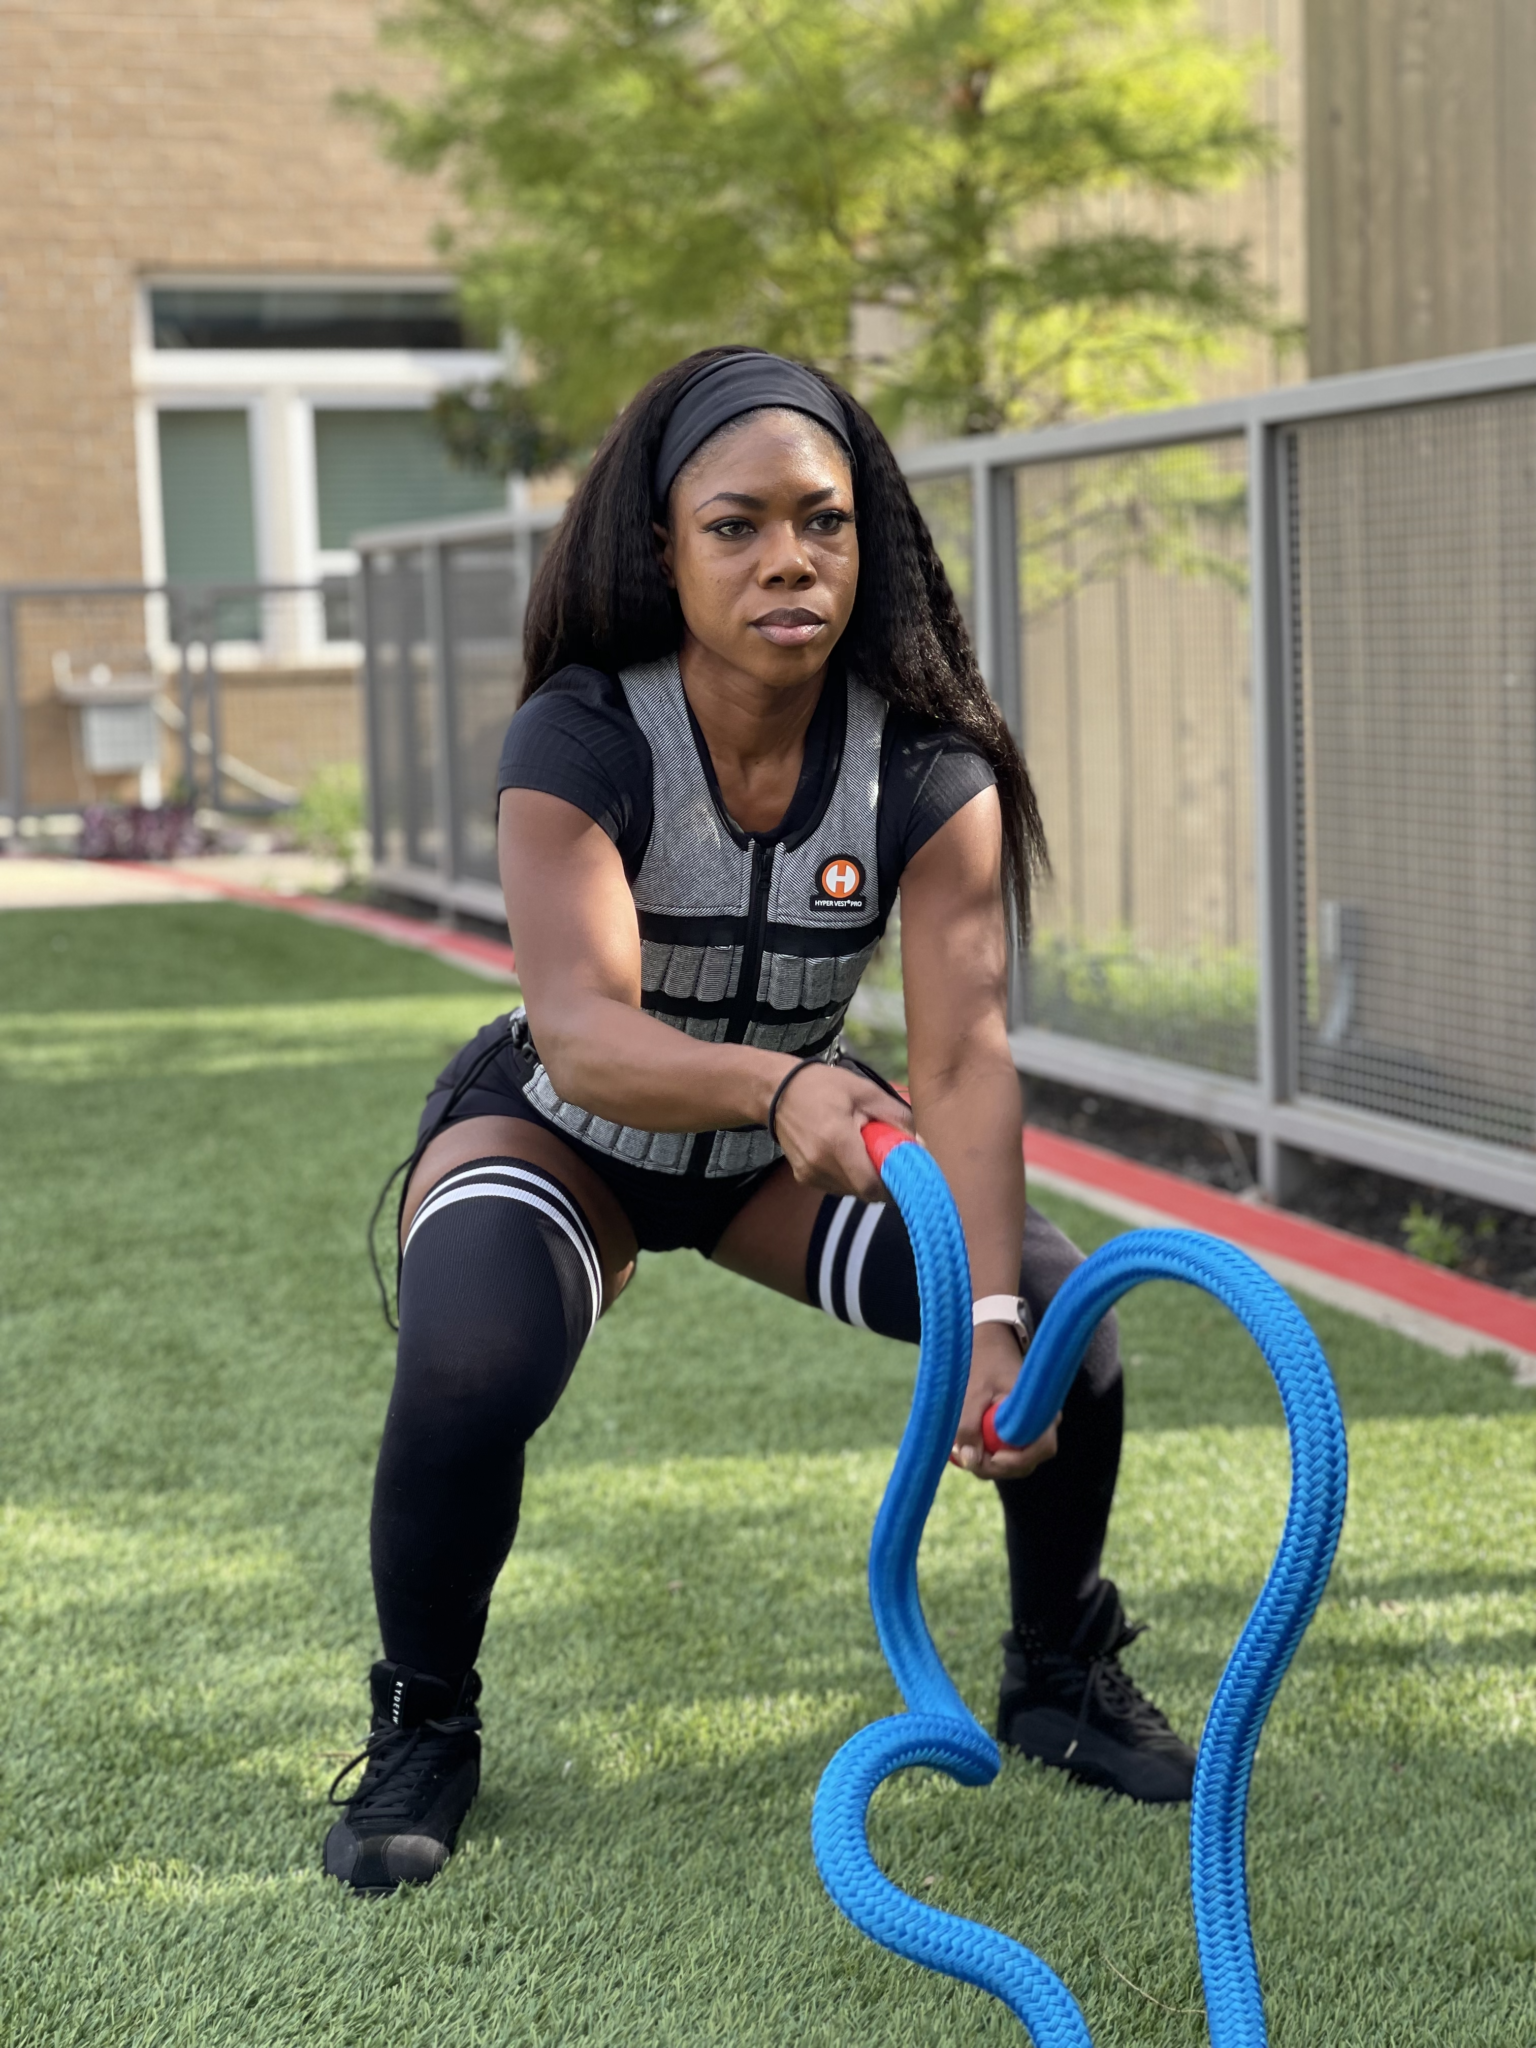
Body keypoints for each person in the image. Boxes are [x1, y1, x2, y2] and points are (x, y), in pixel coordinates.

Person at [323, 348, 1195, 1897]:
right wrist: (786, 1086)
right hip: (567, 1138)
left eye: (825, 521)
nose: (790, 555)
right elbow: (584, 1038)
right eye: (737, 526)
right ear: (662, 549)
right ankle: (425, 1724)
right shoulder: (583, 734)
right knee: (467, 1358)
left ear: (869, 542)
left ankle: (1058, 1670)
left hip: (763, 1164)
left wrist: (990, 1315)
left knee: (1065, 1310)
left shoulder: (928, 765)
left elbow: (971, 1049)